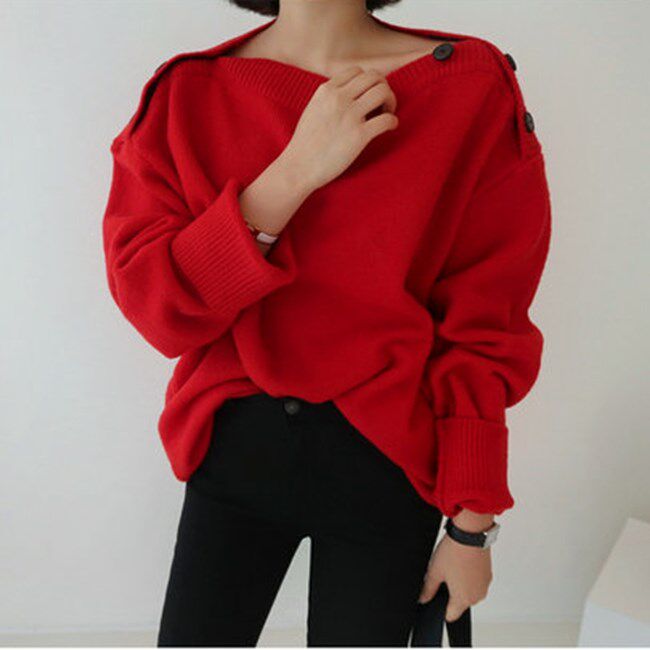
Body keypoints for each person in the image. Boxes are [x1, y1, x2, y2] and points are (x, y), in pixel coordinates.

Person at [101, 0, 552, 645]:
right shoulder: (186, 93)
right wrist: (296, 169)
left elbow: (488, 322)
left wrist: (471, 526)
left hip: (388, 465)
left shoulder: (467, 85)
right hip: (233, 455)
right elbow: (159, 311)